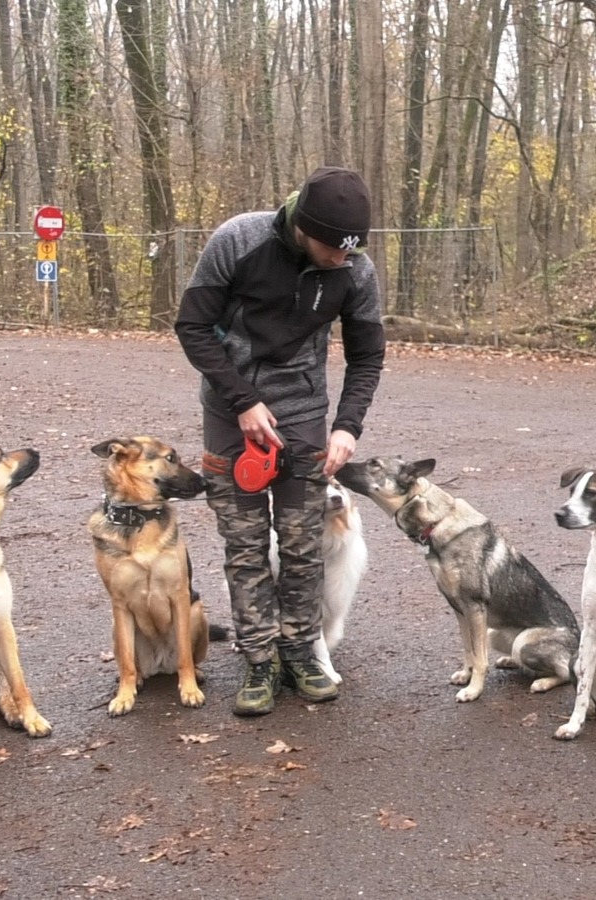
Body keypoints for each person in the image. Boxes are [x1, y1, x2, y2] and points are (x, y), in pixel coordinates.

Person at [175, 166, 386, 717]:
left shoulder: (354, 269)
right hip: (231, 414)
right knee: (245, 546)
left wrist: (347, 426)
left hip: (304, 415)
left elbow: (367, 356)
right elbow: (192, 326)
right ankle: (259, 658)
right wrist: (242, 400)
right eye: (333, 247)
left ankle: (300, 651)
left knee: (302, 543)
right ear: (303, 228)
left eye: (352, 248)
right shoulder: (238, 240)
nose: (343, 258)